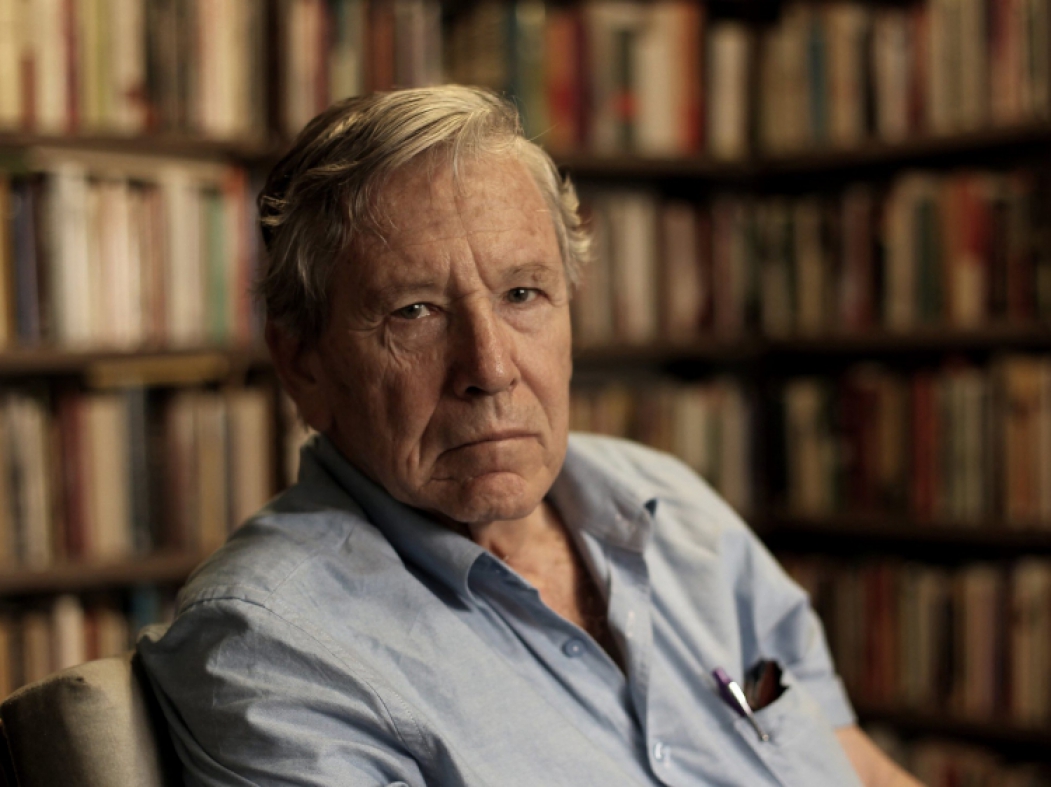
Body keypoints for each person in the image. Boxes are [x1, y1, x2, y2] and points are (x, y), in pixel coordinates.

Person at [139, 86, 922, 787]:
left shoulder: (673, 504)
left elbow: (857, 766)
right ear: (302, 362)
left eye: (521, 293)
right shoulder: (272, 645)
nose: (489, 367)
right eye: (414, 311)